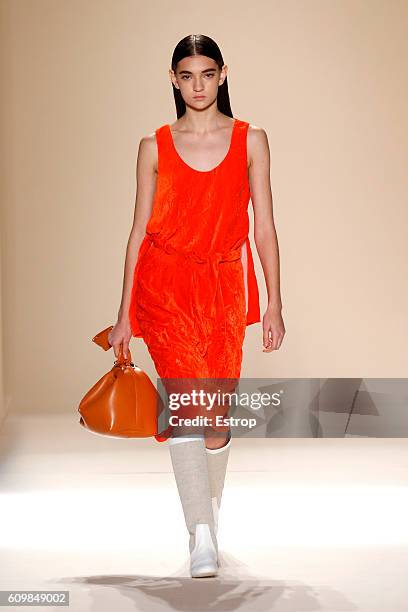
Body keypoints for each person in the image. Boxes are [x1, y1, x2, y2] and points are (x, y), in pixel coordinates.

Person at [108, 34, 285, 578]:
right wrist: (124, 314)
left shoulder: (250, 140)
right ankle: (200, 536)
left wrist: (274, 301)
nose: (198, 86)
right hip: (164, 285)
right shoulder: (153, 146)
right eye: (187, 76)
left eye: (207, 74)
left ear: (223, 73)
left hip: (224, 288)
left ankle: (208, 515)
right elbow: (138, 231)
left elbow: (264, 228)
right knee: (187, 403)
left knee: (216, 420)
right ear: (173, 80)